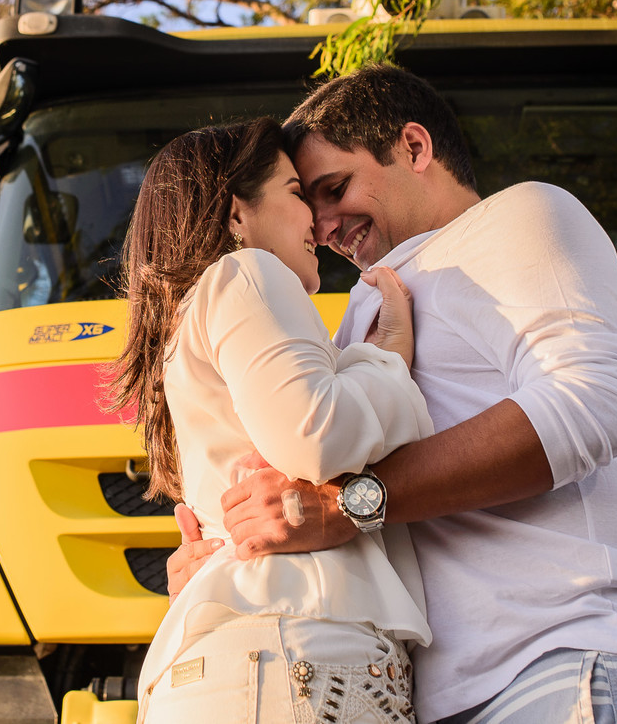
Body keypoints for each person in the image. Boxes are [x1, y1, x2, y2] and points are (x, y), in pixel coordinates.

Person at [169, 65, 617, 723]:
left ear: (414, 147)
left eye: (333, 187)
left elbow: (590, 402)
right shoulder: (361, 313)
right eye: (304, 200)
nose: (318, 224)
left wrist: (350, 503)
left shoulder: (521, 216)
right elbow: (295, 493)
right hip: (430, 697)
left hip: (574, 663)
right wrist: (227, 555)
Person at [106, 118, 437, 723]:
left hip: (251, 664)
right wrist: (388, 360)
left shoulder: (188, 327)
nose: (315, 216)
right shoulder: (247, 274)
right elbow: (317, 434)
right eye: (294, 191)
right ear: (237, 215)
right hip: (293, 655)